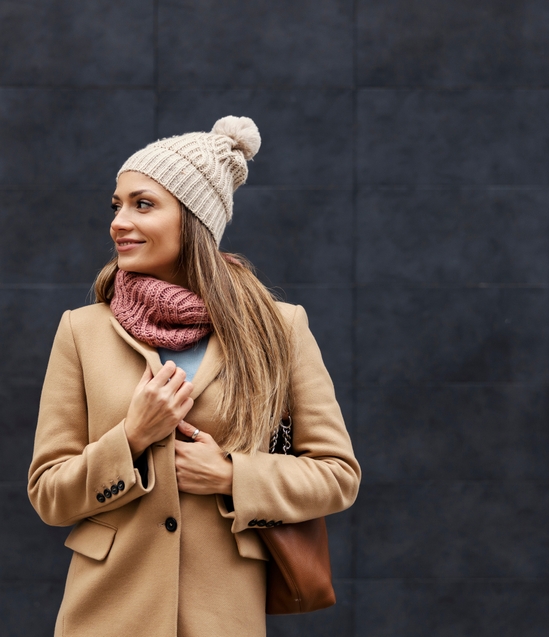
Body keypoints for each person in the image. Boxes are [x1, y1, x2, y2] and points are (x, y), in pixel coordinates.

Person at [28, 116, 360, 637]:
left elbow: (338, 476)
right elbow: (50, 494)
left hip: (222, 617)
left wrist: (231, 476)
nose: (119, 222)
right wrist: (131, 437)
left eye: (143, 204)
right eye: (116, 205)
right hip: (107, 616)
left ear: (194, 219)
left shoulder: (278, 328)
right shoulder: (82, 331)